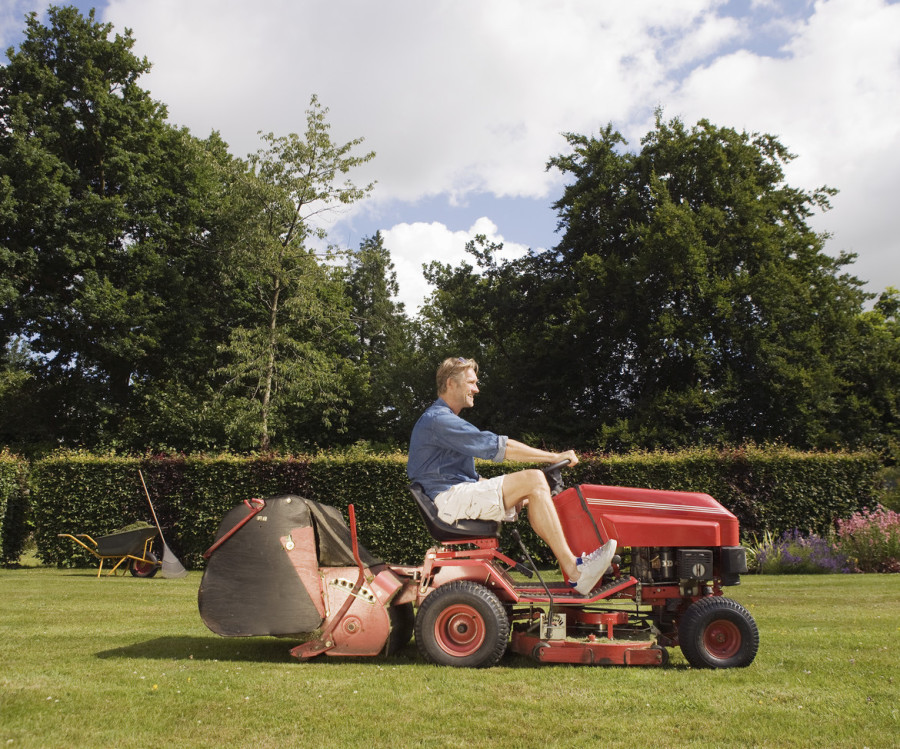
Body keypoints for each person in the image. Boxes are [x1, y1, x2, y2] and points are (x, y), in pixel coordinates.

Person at [407, 357, 617, 595]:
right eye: (471, 382)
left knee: (534, 488)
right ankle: (576, 572)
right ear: (450, 383)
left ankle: (578, 563)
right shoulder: (440, 420)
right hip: (446, 500)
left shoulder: (443, 421)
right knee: (534, 478)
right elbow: (500, 447)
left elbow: (469, 479)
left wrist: (527, 495)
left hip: (450, 496)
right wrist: (553, 456)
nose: (477, 389)